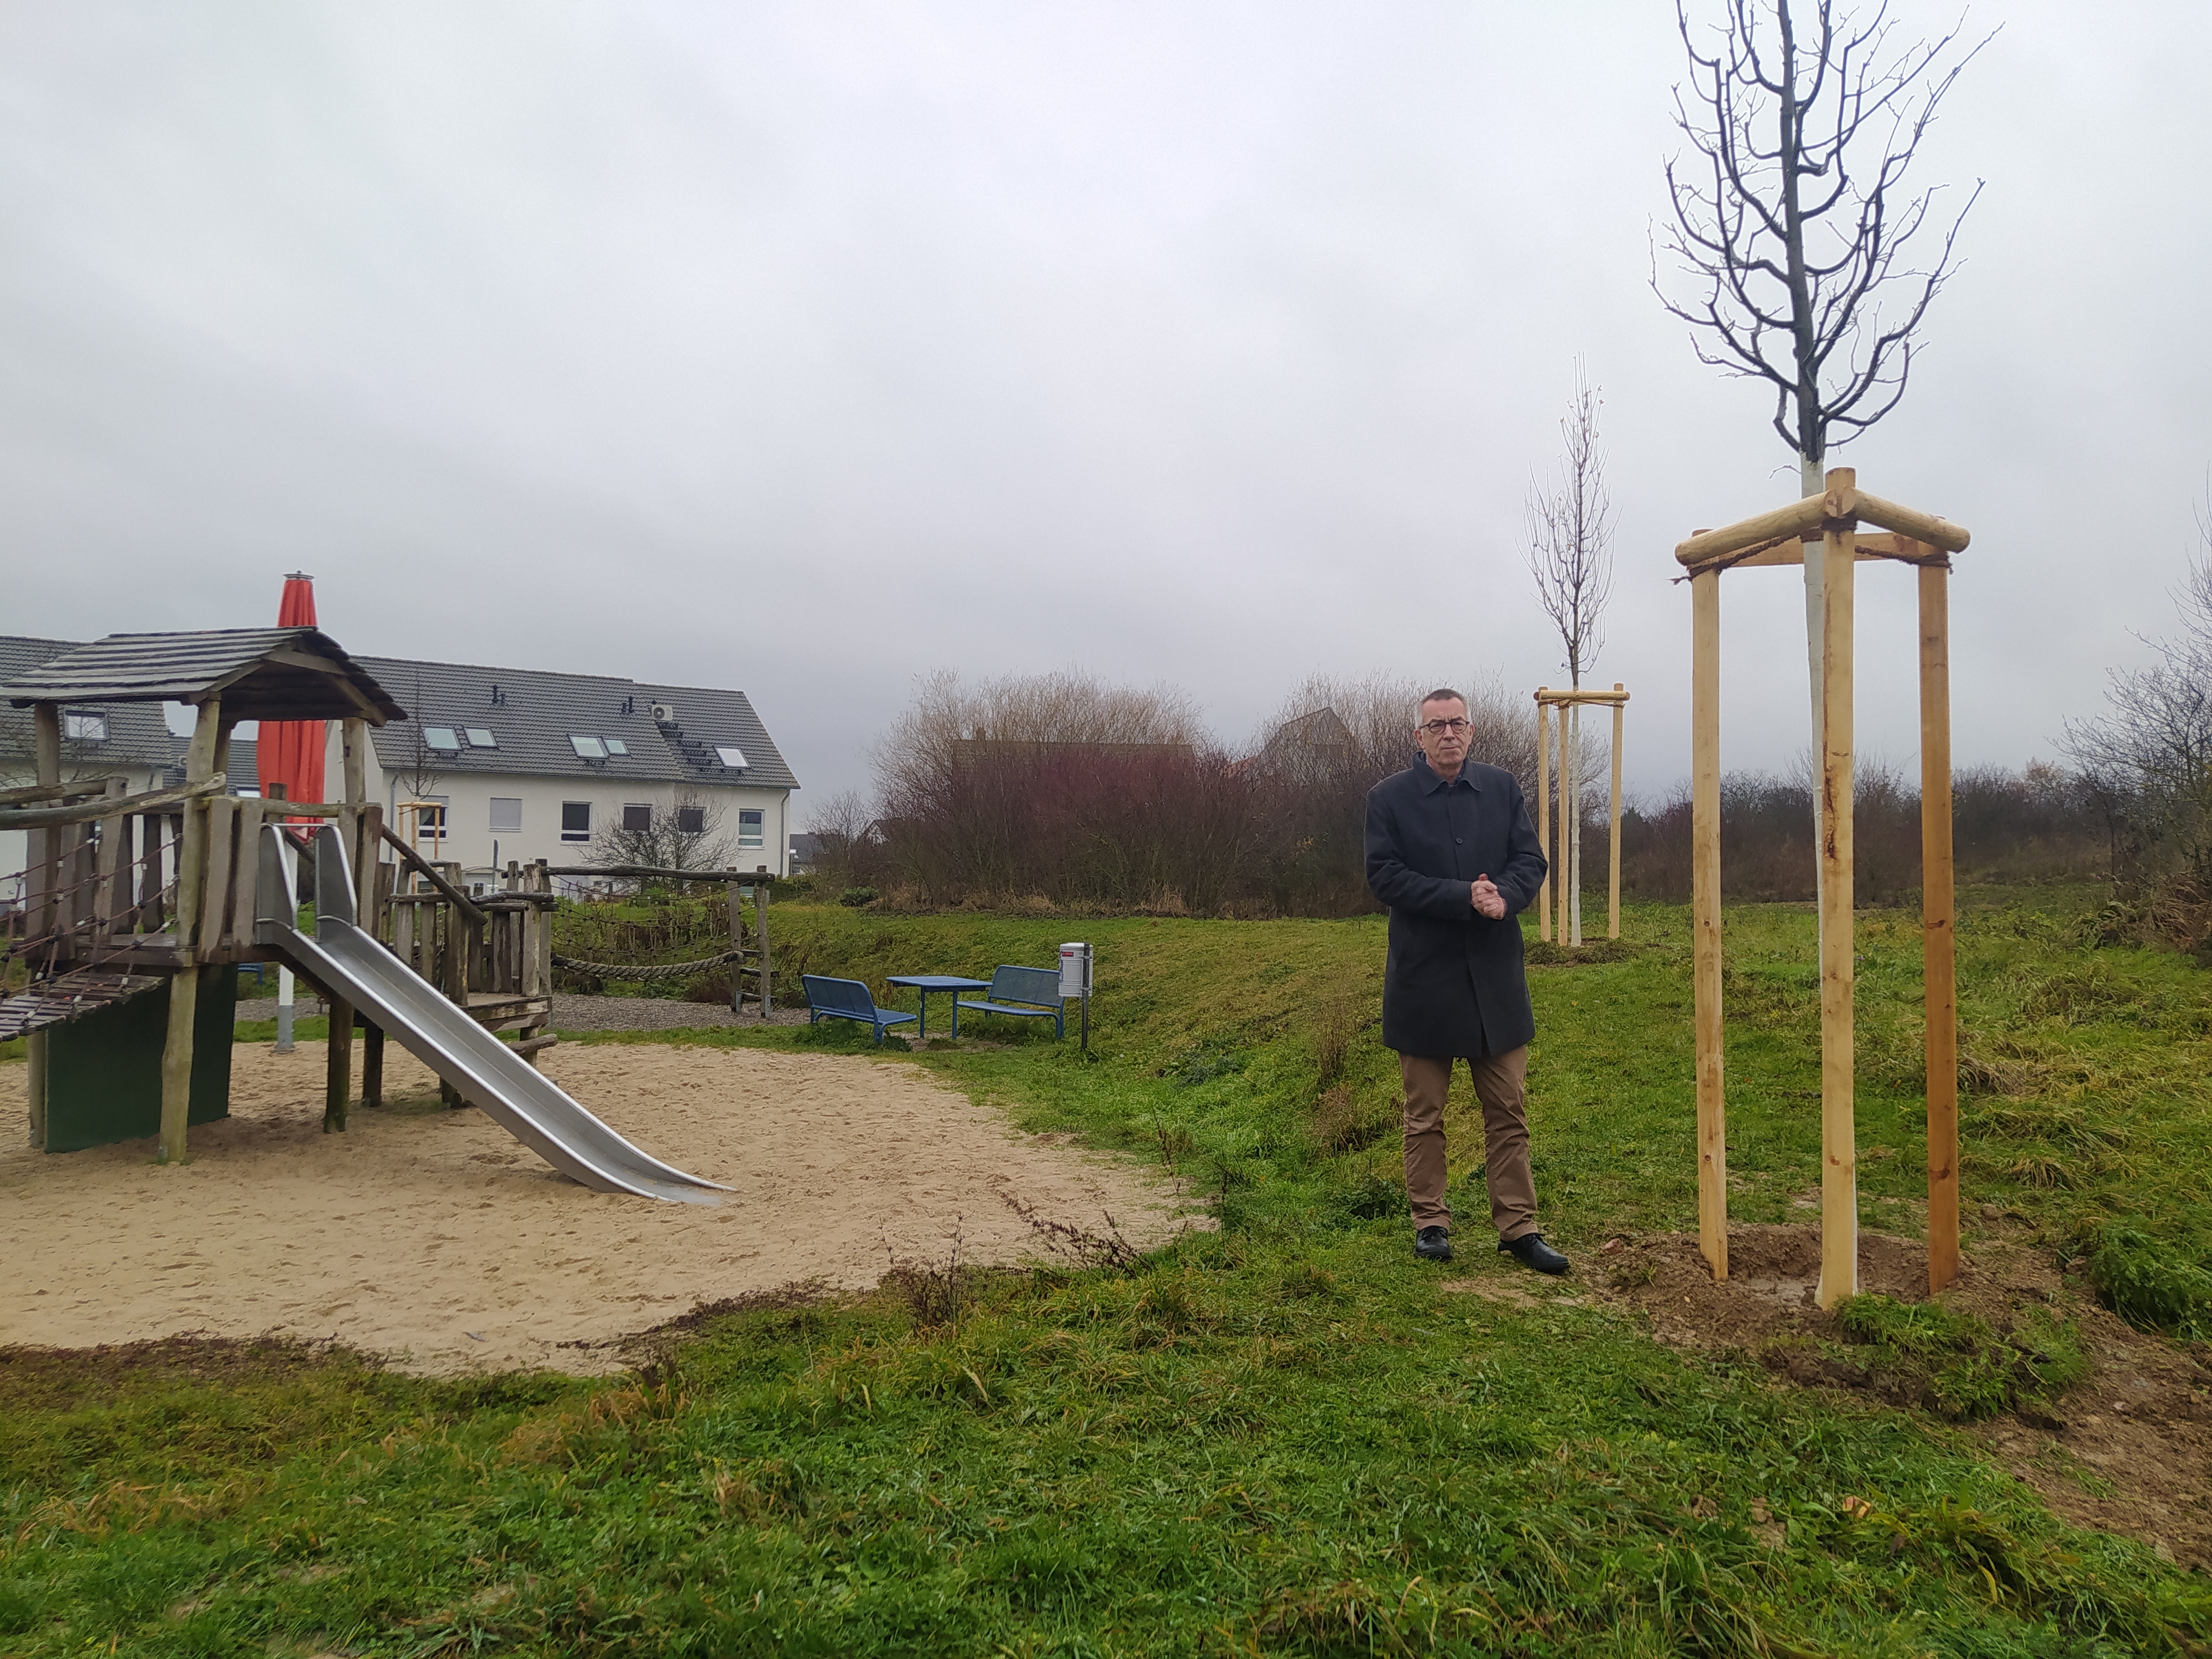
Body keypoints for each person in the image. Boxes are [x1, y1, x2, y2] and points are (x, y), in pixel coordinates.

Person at [1364, 687, 1568, 1274]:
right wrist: (1462, 896)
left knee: (1508, 1112)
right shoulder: (1388, 799)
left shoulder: (1502, 788)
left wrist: (1505, 896)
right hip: (1423, 983)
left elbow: (1530, 861)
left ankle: (1519, 1228)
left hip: (1495, 984)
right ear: (1418, 736)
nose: (1448, 733)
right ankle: (1430, 1223)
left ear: (1472, 731)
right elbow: (1384, 877)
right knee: (1424, 1116)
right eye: (1436, 726)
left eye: (1457, 723)